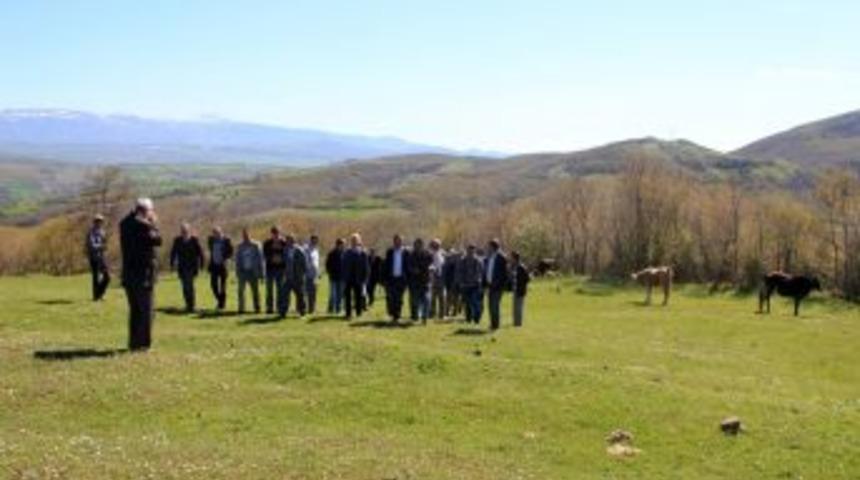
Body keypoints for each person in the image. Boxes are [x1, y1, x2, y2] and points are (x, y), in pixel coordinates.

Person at [119, 198, 162, 351]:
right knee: (147, 311)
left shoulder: (124, 224)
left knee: (135, 311)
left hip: (129, 275)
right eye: (151, 211)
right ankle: (143, 344)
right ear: (145, 211)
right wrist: (152, 223)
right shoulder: (144, 226)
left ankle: (133, 343)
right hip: (143, 275)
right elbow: (158, 240)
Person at [169, 222, 205, 312]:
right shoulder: (177, 240)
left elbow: (200, 253)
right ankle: (188, 305)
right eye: (182, 230)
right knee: (184, 287)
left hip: (192, 267)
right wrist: (172, 264)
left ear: (189, 230)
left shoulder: (194, 240)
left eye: (185, 230)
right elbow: (173, 253)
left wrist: (202, 265)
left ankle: (192, 305)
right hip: (182, 267)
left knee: (189, 286)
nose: (184, 232)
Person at [236, 228, 265, 314]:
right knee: (241, 291)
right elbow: (237, 260)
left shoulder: (256, 245)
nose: (245, 236)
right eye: (244, 235)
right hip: (243, 271)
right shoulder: (240, 246)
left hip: (253, 271)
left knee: (255, 291)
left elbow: (261, 259)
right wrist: (237, 271)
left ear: (249, 234)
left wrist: (262, 273)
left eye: (246, 234)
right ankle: (241, 309)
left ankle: (257, 308)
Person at [342, 233, 370, 319]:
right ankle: (348, 313)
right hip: (348, 278)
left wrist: (365, 278)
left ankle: (358, 312)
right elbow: (343, 265)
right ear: (351, 241)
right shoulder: (347, 252)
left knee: (358, 296)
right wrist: (344, 276)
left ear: (359, 241)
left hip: (359, 278)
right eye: (352, 240)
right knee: (347, 297)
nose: (354, 241)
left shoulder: (363, 253)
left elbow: (366, 267)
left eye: (356, 240)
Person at [382, 234, 409, 322]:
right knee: (391, 298)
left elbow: (407, 266)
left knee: (399, 299)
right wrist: (384, 279)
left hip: (401, 279)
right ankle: (391, 313)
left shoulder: (406, 252)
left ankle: (397, 316)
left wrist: (407, 279)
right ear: (394, 241)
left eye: (400, 241)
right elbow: (385, 266)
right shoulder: (389, 252)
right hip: (391, 279)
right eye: (396, 240)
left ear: (402, 242)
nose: (398, 242)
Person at [279, 234, 307, 317]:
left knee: (300, 295)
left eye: (290, 240)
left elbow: (304, 264)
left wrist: (302, 275)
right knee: (284, 295)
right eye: (287, 240)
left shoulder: (299, 250)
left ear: (293, 241)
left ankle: (302, 311)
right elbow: (283, 262)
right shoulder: (285, 250)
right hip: (288, 277)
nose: (288, 242)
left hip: (297, 277)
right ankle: (283, 311)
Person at [483, 239, 509, 330]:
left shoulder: (502, 258)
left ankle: (496, 325)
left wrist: (500, 285)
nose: (487, 248)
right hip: (489, 285)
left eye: (489, 246)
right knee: (490, 305)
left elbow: (504, 274)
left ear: (494, 247)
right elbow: (486, 271)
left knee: (495, 305)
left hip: (498, 287)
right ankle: (492, 323)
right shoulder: (488, 257)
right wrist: (485, 284)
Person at [407, 237, 433, 323]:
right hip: (415, 281)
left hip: (425, 280)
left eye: (419, 245)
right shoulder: (411, 255)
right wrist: (413, 270)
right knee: (415, 300)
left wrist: (427, 268)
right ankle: (417, 314)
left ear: (422, 245)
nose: (418, 246)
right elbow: (409, 266)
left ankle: (424, 316)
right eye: (416, 245)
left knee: (426, 299)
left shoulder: (428, 254)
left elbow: (430, 264)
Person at [207, 227, 234, 310]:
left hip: (223, 266)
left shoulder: (226, 240)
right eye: (214, 233)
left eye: (217, 233)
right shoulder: (211, 240)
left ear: (221, 232)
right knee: (213, 285)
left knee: (223, 287)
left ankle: (222, 304)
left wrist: (226, 258)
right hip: (214, 266)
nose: (216, 234)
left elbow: (231, 252)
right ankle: (220, 301)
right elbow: (210, 250)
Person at [456, 244, 484, 324]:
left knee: (475, 303)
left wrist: (476, 281)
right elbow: (460, 272)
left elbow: (479, 273)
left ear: (474, 251)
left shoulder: (478, 261)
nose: (470, 252)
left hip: (475, 286)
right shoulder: (463, 261)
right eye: (469, 250)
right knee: (467, 303)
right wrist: (460, 282)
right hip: (465, 286)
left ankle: (476, 318)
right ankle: (468, 319)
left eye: (472, 251)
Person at [85, 214, 111, 301]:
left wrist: (104, 247)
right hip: (94, 257)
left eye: (101, 221)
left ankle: (100, 293)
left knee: (107, 277)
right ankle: (96, 296)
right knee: (96, 277)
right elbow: (91, 245)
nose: (99, 223)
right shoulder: (91, 233)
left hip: (101, 257)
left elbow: (104, 243)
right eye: (98, 221)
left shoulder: (102, 232)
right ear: (94, 222)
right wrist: (101, 246)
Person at [263, 226, 286, 314]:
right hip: (270, 269)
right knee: (269, 290)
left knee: (280, 289)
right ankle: (269, 308)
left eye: (277, 233)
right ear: (271, 234)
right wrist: (272, 257)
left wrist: (281, 258)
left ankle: (279, 307)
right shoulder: (267, 243)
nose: (275, 235)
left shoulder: (283, 242)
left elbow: (286, 254)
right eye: (274, 234)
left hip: (280, 269)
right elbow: (265, 255)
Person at [325, 238, 345, 314]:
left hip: (341, 277)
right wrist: (330, 272)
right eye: (341, 245)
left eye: (343, 245)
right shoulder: (331, 254)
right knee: (332, 294)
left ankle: (338, 309)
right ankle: (330, 308)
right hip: (333, 277)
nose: (343, 246)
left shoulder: (344, 253)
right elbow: (327, 264)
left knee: (340, 294)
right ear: (338, 245)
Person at [510, 251, 530, 327]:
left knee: (519, 307)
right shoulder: (513, 267)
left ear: (515, 258)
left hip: (520, 290)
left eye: (512, 257)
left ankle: (518, 323)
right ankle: (515, 322)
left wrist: (521, 285)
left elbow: (527, 279)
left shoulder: (522, 267)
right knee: (515, 307)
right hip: (515, 289)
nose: (511, 259)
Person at [428, 239, 446, 319]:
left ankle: (442, 314)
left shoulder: (442, 254)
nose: (437, 246)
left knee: (442, 297)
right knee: (432, 297)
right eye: (435, 245)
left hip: (441, 277)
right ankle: (432, 313)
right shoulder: (430, 254)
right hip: (433, 277)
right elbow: (429, 265)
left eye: (438, 245)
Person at [304, 235, 321, 314]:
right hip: (307, 274)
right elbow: (306, 261)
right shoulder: (306, 249)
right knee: (306, 292)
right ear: (311, 240)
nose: (315, 242)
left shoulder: (316, 250)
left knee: (314, 292)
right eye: (314, 240)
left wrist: (318, 273)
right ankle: (303, 308)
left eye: (316, 241)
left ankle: (312, 309)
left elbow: (317, 262)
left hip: (315, 275)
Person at [443, 248, 462, 317]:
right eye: (452, 256)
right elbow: (445, 273)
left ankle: (454, 312)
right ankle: (447, 312)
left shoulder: (458, 264)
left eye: (454, 256)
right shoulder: (447, 263)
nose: (452, 258)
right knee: (449, 298)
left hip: (456, 283)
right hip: (449, 283)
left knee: (455, 299)